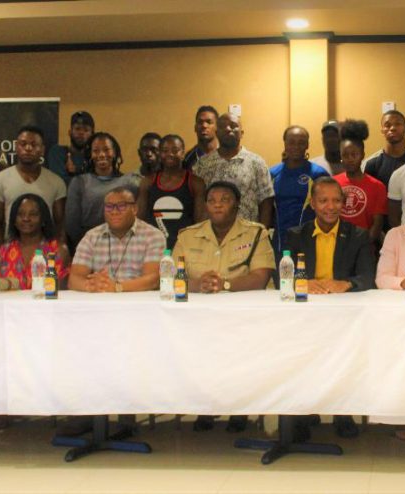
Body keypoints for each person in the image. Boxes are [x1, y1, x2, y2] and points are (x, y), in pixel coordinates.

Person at [173, 180, 273, 435]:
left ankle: (240, 410)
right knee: (198, 359)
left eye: (224, 199)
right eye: (212, 200)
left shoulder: (257, 233)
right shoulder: (187, 235)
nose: (217, 204)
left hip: (242, 318)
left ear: (237, 204)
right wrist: (197, 284)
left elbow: (260, 277)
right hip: (197, 319)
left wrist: (225, 284)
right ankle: (206, 407)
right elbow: (172, 277)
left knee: (241, 361)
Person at [285, 177, 375, 440]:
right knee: (304, 361)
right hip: (306, 315)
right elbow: (285, 277)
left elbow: (368, 277)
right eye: (323, 200)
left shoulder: (357, 235)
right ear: (313, 204)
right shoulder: (296, 235)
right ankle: (304, 413)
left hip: (343, 315)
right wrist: (305, 282)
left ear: (344, 204)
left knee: (342, 361)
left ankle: (343, 413)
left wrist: (345, 284)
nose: (330, 206)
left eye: (336, 200)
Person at [68, 187, 165, 293]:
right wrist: (91, 286)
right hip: (100, 301)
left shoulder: (153, 235)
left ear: (134, 209)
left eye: (121, 206)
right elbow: (74, 280)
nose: (114, 212)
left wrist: (117, 287)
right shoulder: (91, 236)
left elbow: (153, 279)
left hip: (138, 302)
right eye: (109, 207)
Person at [0, 126, 67, 247]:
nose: (28, 148)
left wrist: (60, 251)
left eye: (34, 145)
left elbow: (60, 225)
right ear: (16, 147)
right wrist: (1, 253)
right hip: (11, 252)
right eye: (23, 144)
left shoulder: (56, 182)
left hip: (46, 251)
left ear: (42, 150)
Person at [191, 112, 274, 227]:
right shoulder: (202, 165)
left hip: (248, 236)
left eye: (233, 125)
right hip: (212, 236)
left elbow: (266, 201)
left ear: (242, 133)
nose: (228, 129)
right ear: (216, 133)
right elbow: (198, 202)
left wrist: (261, 233)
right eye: (222, 126)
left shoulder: (257, 163)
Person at [65, 132, 141, 250]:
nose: (101, 154)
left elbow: (137, 219)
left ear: (115, 152)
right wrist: (88, 246)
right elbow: (72, 225)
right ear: (90, 154)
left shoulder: (130, 182)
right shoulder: (79, 182)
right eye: (96, 151)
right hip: (88, 247)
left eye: (106, 149)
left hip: (123, 247)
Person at [137, 134, 206, 249]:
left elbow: (201, 222)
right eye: (165, 150)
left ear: (183, 153)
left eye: (175, 150)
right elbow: (139, 219)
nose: (170, 154)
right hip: (153, 248)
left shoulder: (195, 183)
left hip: (184, 248)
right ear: (159, 153)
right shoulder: (148, 182)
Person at [270, 125, 330, 255]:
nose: (296, 146)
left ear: (307, 145)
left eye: (301, 143)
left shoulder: (318, 174)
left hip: (310, 244)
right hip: (279, 244)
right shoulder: (272, 174)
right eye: (291, 142)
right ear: (285, 144)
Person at [0, 193, 70, 289]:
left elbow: (62, 290)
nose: (26, 218)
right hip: (10, 304)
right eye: (20, 214)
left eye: (33, 214)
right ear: (14, 220)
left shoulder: (58, 251)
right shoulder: (3, 252)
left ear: (43, 219)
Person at [333, 119, 386, 246]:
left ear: (362, 155)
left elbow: (377, 225)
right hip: (337, 248)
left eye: (354, 154)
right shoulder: (333, 184)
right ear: (340, 157)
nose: (350, 159)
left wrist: (361, 248)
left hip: (365, 250)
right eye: (345, 155)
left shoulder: (377, 186)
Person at [364, 109, 405, 190]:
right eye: (387, 125)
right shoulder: (371, 164)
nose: (393, 128)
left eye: (398, 124)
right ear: (382, 130)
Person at [45, 111, 94, 185]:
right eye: (77, 129)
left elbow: (95, 184)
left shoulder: (94, 157)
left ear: (92, 134)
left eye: (86, 130)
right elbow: (60, 183)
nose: (81, 133)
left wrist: (75, 173)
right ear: (70, 132)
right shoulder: (57, 152)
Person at [183, 106, 220, 170]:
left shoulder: (228, 155)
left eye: (209, 122)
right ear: (195, 128)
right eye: (200, 122)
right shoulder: (187, 160)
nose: (204, 125)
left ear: (218, 127)